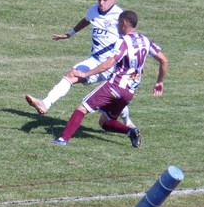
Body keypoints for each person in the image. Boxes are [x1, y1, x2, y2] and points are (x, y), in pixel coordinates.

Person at [51, 10, 168, 147]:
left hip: (115, 85)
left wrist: (86, 74)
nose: (117, 27)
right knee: (105, 122)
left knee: (82, 108)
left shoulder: (123, 41)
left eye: (118, 23)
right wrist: (159, 81)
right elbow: (164, 60)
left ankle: (63, 139)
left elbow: (109, 63)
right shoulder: (146, 41)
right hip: (129, 93)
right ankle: (131, 131)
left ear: (124, 23)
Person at [25, 0, 136, 128]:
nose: (101, 3)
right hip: (95, 61)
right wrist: (69, 34)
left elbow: (130, 39)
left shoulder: (120, 16)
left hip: (113, 66)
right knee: (71, 75)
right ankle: (45, 103)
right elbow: (87, 20)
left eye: (105, 0)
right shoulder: (92, 11)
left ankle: (127, 122)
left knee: (116, 97)